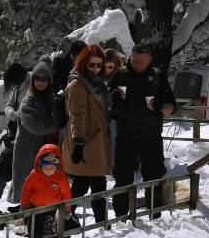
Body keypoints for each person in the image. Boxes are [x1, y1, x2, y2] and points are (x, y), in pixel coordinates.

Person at [109, 42, 174, 218]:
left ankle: (155, 216)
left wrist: (161, 107)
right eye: (134, 60)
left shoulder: (158, 76)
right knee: (122, 179)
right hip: (126, 135)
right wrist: (112, 98)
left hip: (151, 135)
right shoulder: (120, 75)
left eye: (141, 62)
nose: (137, 64)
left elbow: (172, 106)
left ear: (150, 59)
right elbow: (105, 102)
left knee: (154, 177)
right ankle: (120, 219)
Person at [64, 44, 114, 223]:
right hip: (86, 141)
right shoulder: (77, 84)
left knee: (88, 184)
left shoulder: (98, 84)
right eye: (91, 65)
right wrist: (78, 141)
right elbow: (77, 115)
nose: (96, 68)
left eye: (99, 65)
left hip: (96, 141)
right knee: (86, 185)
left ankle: (64, 220)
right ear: (83, 63)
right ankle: (63, 220)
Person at [14, 62, 67, 205]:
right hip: (29, 150)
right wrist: (58, 124)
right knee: (29, 188)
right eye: (37, 78)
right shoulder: (27, 102)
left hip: (48, 151)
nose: (41, 82)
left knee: (47, 189)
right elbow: (36, 127)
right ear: (33, 80)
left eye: (45, 79)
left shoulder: (52, 98)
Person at [0, 62, 29, 215]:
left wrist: (20, 115)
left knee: (17, 171)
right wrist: (11, 113)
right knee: (2, 170)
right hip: (14, 132)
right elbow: (8, 105)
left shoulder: (30, 86)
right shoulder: (18, 87)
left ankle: (22, 204)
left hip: (26, 134)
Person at [20, 143, 73, 238]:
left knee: (46, 228)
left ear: (57, 167)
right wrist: (24, 205)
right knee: (33, 226)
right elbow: (26, 191)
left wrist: (67, 209)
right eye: (45, 167)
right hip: (34, 207)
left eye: (51, 168)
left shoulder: (60, 178)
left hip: (50, 208)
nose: (48, 170)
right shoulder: (34, 175)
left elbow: (66, 194)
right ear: (40, 165)